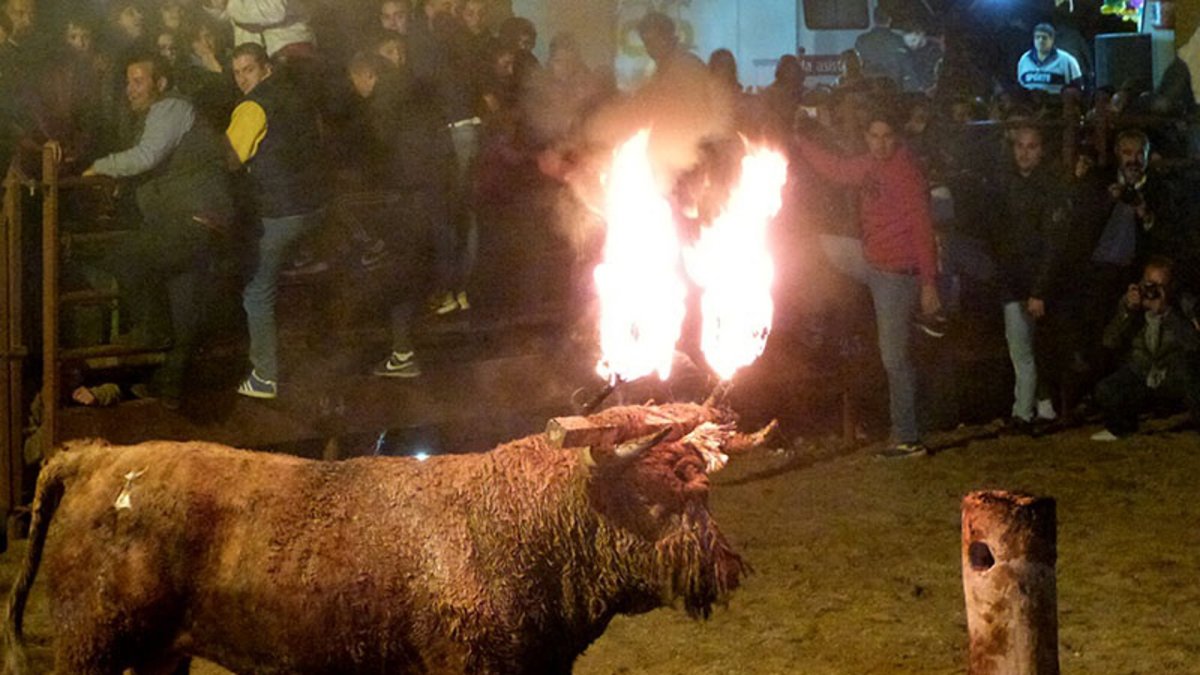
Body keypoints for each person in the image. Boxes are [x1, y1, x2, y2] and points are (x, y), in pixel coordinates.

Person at [83, 53, 234, 408]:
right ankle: (168, 393)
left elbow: (146, 156)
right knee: (184, 311)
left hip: (193, 219)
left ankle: (151, 332)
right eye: (128, 81)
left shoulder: (171, 108)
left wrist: (98, 168)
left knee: (127, 259)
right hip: (196, 221)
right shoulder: (161, 114)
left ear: (161, 83)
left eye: (138, 81)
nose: (130, 89)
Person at [794, 108, 942, 458]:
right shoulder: (869, 166)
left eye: (886, 137)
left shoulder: (906, 174)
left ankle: (908, 437)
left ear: (897, 137)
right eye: (874, 137)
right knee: (818, 245)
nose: (880, 144)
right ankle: (814, 318)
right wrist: (800, 143)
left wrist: (928, 284)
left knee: (893, 357)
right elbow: (838, 170)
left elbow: (923, 230)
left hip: (895, 275)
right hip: (872, 261)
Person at [225, 42, 325, 399]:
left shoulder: (252, 107)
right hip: (317, 207)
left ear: (266, 68)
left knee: (256, 291)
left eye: (248, 70)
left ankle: (264, 376)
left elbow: (231, 160)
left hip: (280, 212)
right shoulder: (299, 95)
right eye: (236, 73)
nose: (241, 80)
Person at [988, 123, 1069, 431]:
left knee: (1027, 350)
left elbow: (1053, 244)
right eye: (1019, 146)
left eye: (1031, 146)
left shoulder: (1048, 188)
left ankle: (1024, 411)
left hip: (1035, 281)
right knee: (1025, 349)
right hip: (1015, 278)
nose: (1024, 152)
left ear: (1042, 150)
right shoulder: (1008, 183)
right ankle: (1040, 408)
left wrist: (1040, 289)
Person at [1092, 256, 1200, 440]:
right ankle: (1121, 428)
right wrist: (1128, 311)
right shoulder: (1134, 302)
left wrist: (1166, 313)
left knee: (1191, 374)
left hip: (1172, 373)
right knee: (1106, 388)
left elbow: (1194, 344)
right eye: (1149, 284)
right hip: (1142, 371)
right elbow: (1109, 341)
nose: (1153, 291)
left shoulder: (1183, 304)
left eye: (1160, 286)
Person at [1016, 23, 1083, 95]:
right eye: (1037, 37)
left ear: (1052, 39)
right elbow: (1020, 86)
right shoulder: (1024, 60)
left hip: (1057, 104)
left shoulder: (1067, 60)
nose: (1040, 41)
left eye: (1044, 38)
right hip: (1030, 105)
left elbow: (1078, 88)